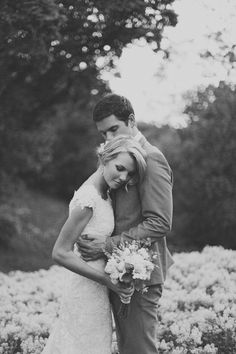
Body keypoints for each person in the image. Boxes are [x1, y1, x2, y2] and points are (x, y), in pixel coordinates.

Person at [78, 94, 174, 354]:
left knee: (138, 350)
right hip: (118, 272)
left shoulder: (151, 158)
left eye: (113, 129)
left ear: (131, 121)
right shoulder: (118, 157)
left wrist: (108, 245)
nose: (109, 138)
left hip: (140, 275)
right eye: (103, 134)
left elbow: (160, 222)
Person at [41, 136, 147, 354]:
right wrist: (107, 280)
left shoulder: (105, 193)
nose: (123, 177)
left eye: (129, 173)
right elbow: (60, 253)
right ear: (105, 157)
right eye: (120, 168)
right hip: (85, 288)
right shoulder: (88, 198)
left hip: (97, 288)